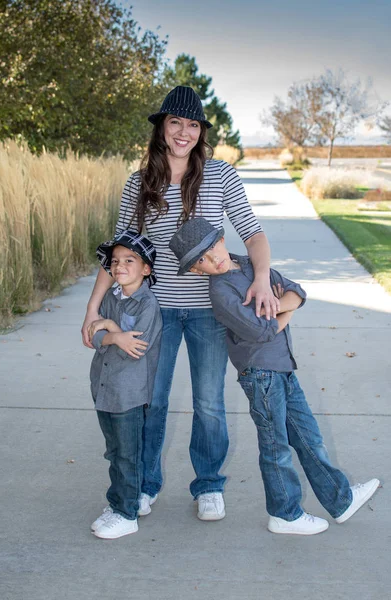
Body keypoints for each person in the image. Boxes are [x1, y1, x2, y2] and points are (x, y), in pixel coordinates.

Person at [82, 85, 279, 521]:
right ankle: (146, 484)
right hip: (155, 312)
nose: (184, 132)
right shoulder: (139, 184)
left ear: (201, 132)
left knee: (209, 400)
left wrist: (262, 278)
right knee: (152, 398)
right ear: (161, 128)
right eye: (176, 123)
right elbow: (119, 251)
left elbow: (253, 232)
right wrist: (94, 307)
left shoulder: (221, 175)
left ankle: (208, 485)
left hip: (211, 309)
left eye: (193, 125)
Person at [169, 217, 380, 535]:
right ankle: (285, 513)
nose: (213, 259)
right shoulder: (222, 293)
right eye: (202, 260)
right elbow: (262, 331)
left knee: (309, 438)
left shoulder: (250, 265)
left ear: (222, 240)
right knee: (275, 445)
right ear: (197, 270)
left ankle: (341, 499)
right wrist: (287, 310)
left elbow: (297, 290)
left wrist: (278, 306)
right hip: (261, 376)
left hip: (282, 367)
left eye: (212, 248)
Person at [88, 230, 162, 539]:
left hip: (129, 395)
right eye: (115, 261)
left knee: (127, 455)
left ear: (146, 269)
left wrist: (111, 330)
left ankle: (127, 513)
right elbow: (91, 336)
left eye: (130, 260)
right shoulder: (110, 297)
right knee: (114, 452)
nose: (119, 266)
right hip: (104, 389)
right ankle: (118, 502)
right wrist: (108, 333)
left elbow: (135, 347)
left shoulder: (148, 305)